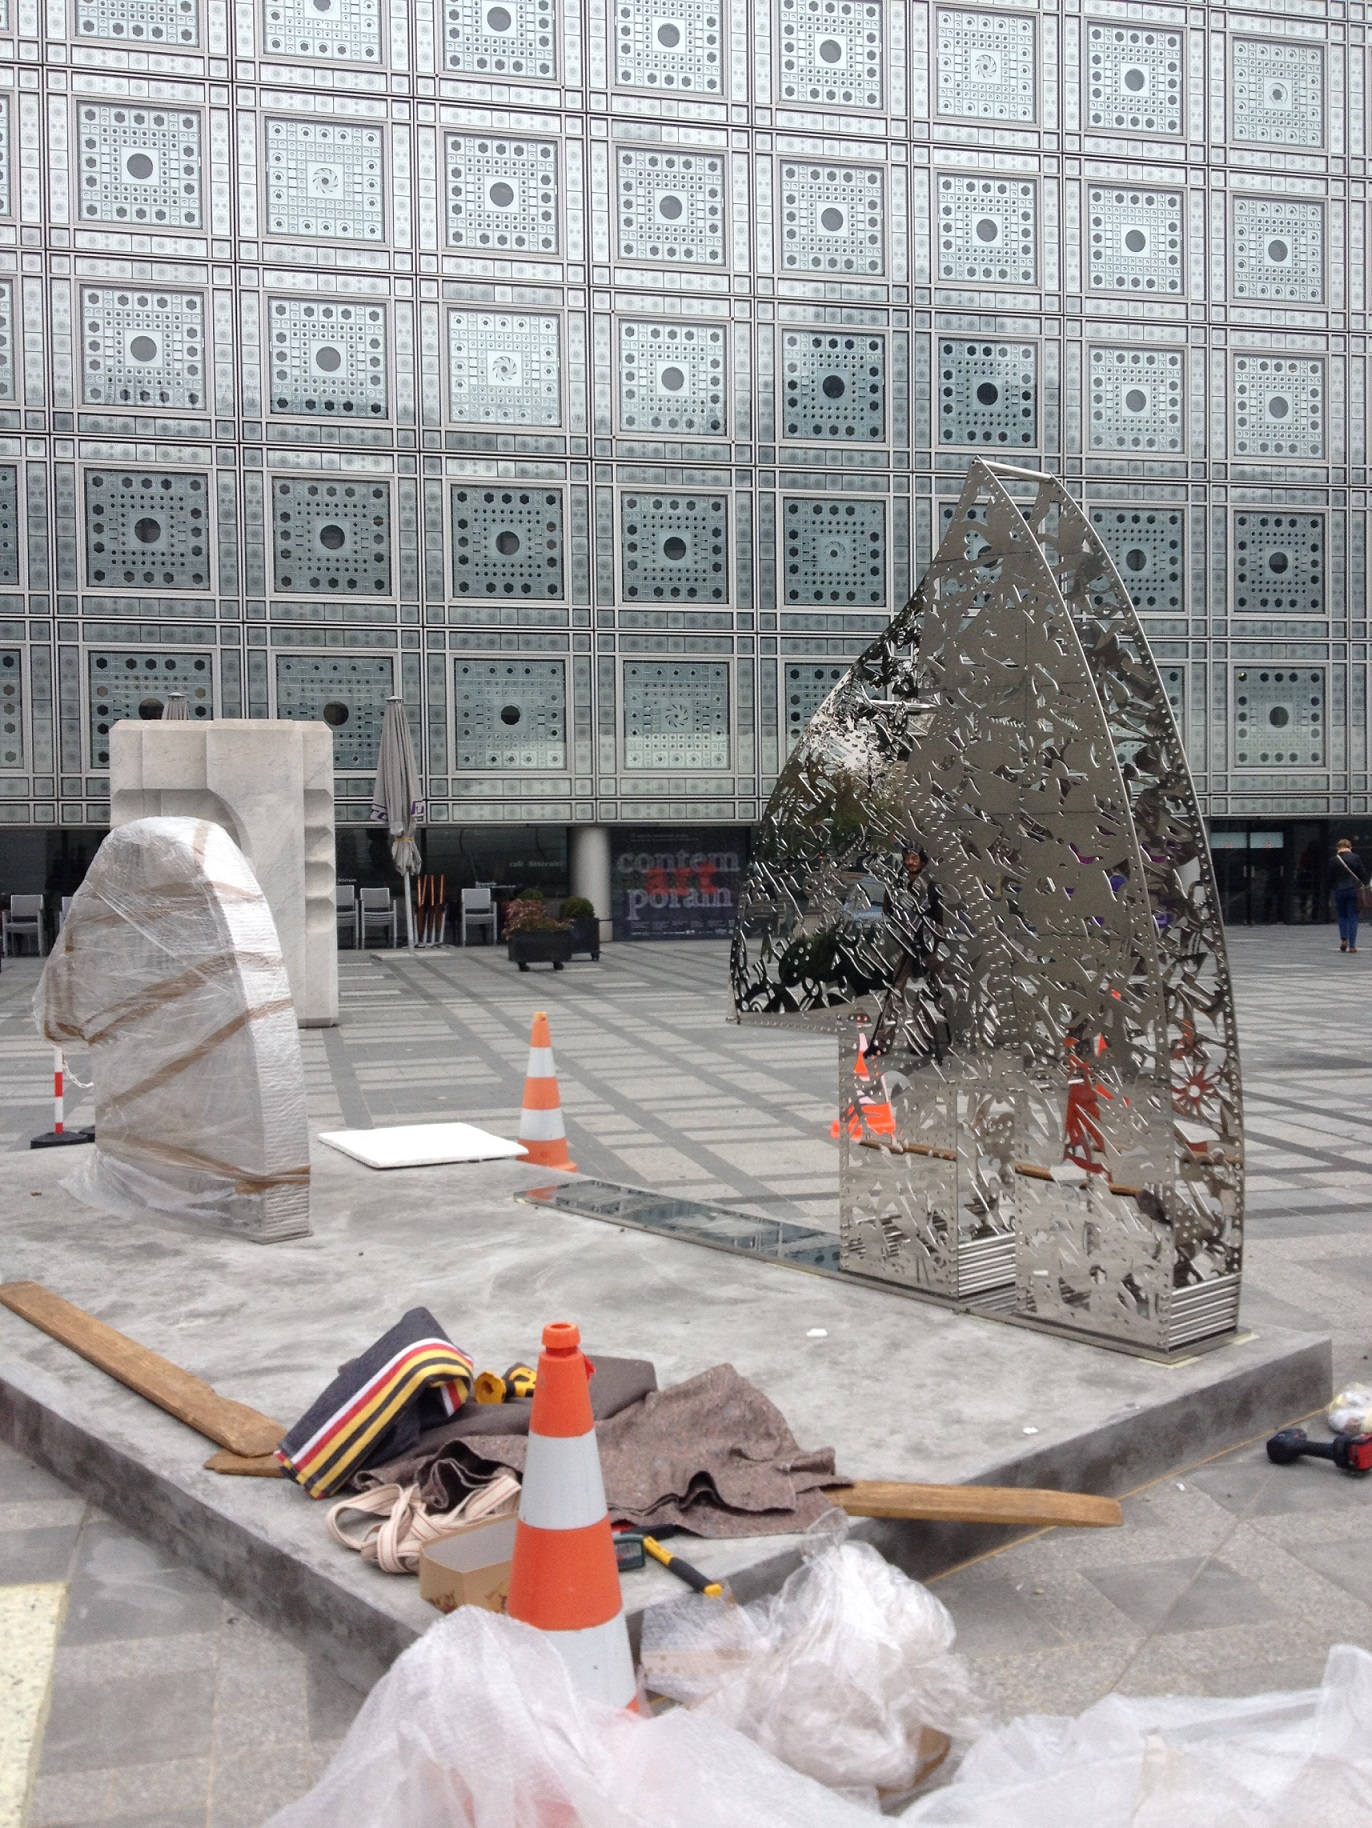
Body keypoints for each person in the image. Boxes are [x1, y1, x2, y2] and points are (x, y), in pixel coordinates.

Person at [1332, 838, 1367, 953]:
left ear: (1338, 848)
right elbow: (1363, 874)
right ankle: (1352, 945)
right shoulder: (1356, 858)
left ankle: (1343, 939)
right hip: (1353, 890)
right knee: (1353, 917)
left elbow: (1329, 877)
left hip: (1339, 890)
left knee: (1342, 916)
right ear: (1350, 847)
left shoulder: (1334, 860)